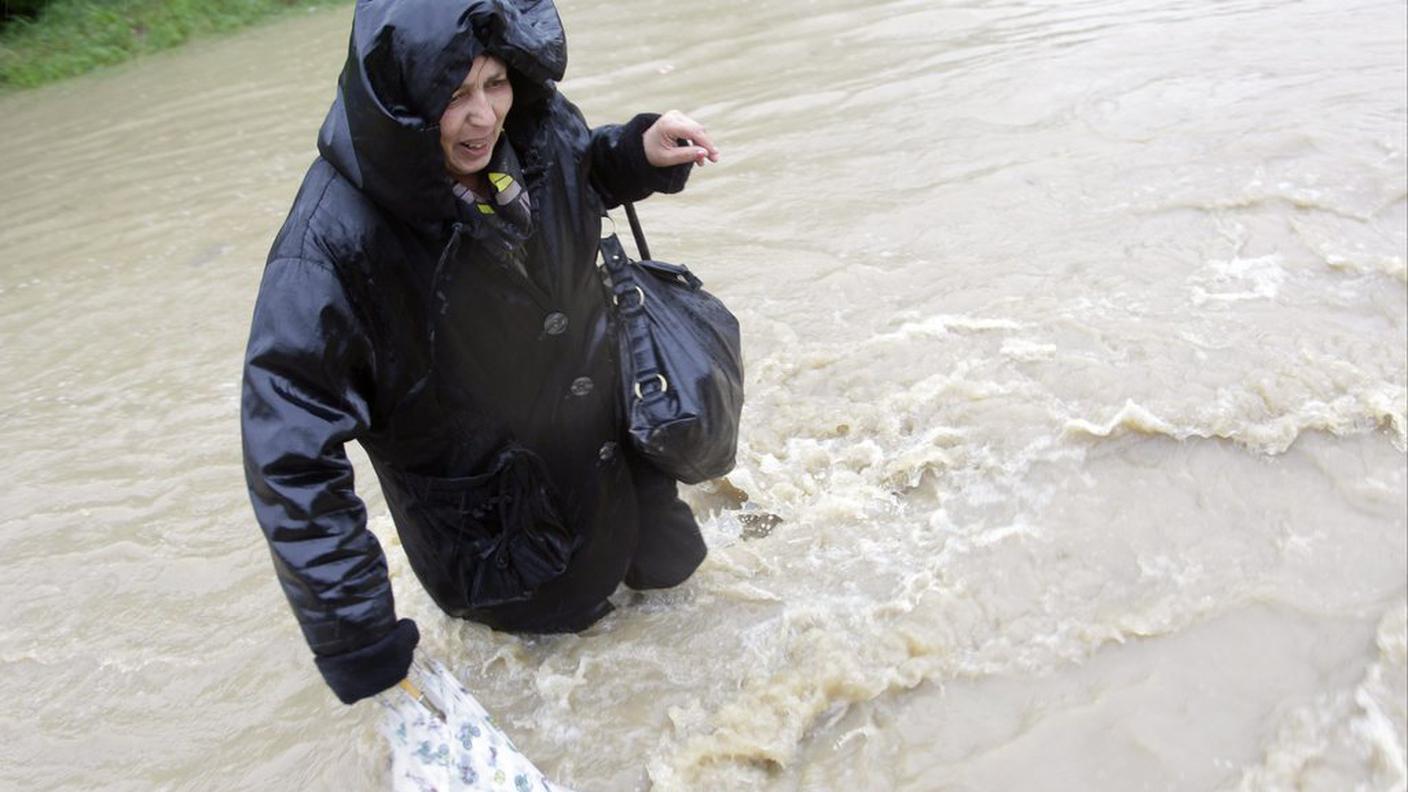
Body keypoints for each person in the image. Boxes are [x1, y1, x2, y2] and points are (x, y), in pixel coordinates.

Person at [241, 0, 719, 706]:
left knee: (697, 628)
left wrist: (636, 153)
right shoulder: (330, 245)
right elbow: (287, 449)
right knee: (573, 695)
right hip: (504, 540)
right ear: (403, 101)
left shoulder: (537, 121)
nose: (483, 117)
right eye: (453, 94)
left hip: (623, 464)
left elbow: (578, 176)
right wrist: (361, 637)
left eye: (494, 83)